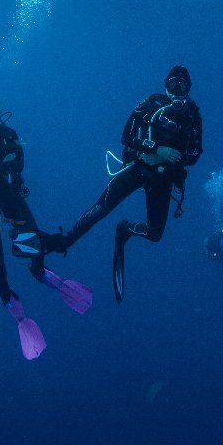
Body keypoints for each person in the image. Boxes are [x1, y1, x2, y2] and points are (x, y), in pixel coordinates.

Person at [44, 66, 203, 302]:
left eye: (183, 85)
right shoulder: (150, 103)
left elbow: (195, 155)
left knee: (155, 234)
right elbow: (126, 136)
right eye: (173, 84)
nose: (177, 89)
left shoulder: (192, 114)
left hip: (163, 176)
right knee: (102, 208)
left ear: (189, 88)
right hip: (138, 165)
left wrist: (163, 158)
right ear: (165, 84)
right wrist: (155, 149)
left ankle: (125, 229)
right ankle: (67, 240)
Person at [0, 96, 92, 360]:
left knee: (30, 236)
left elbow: (17, 162)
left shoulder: (9, 134)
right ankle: (10, 302)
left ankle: (40, 272)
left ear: (1, 114)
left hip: (8, 194)